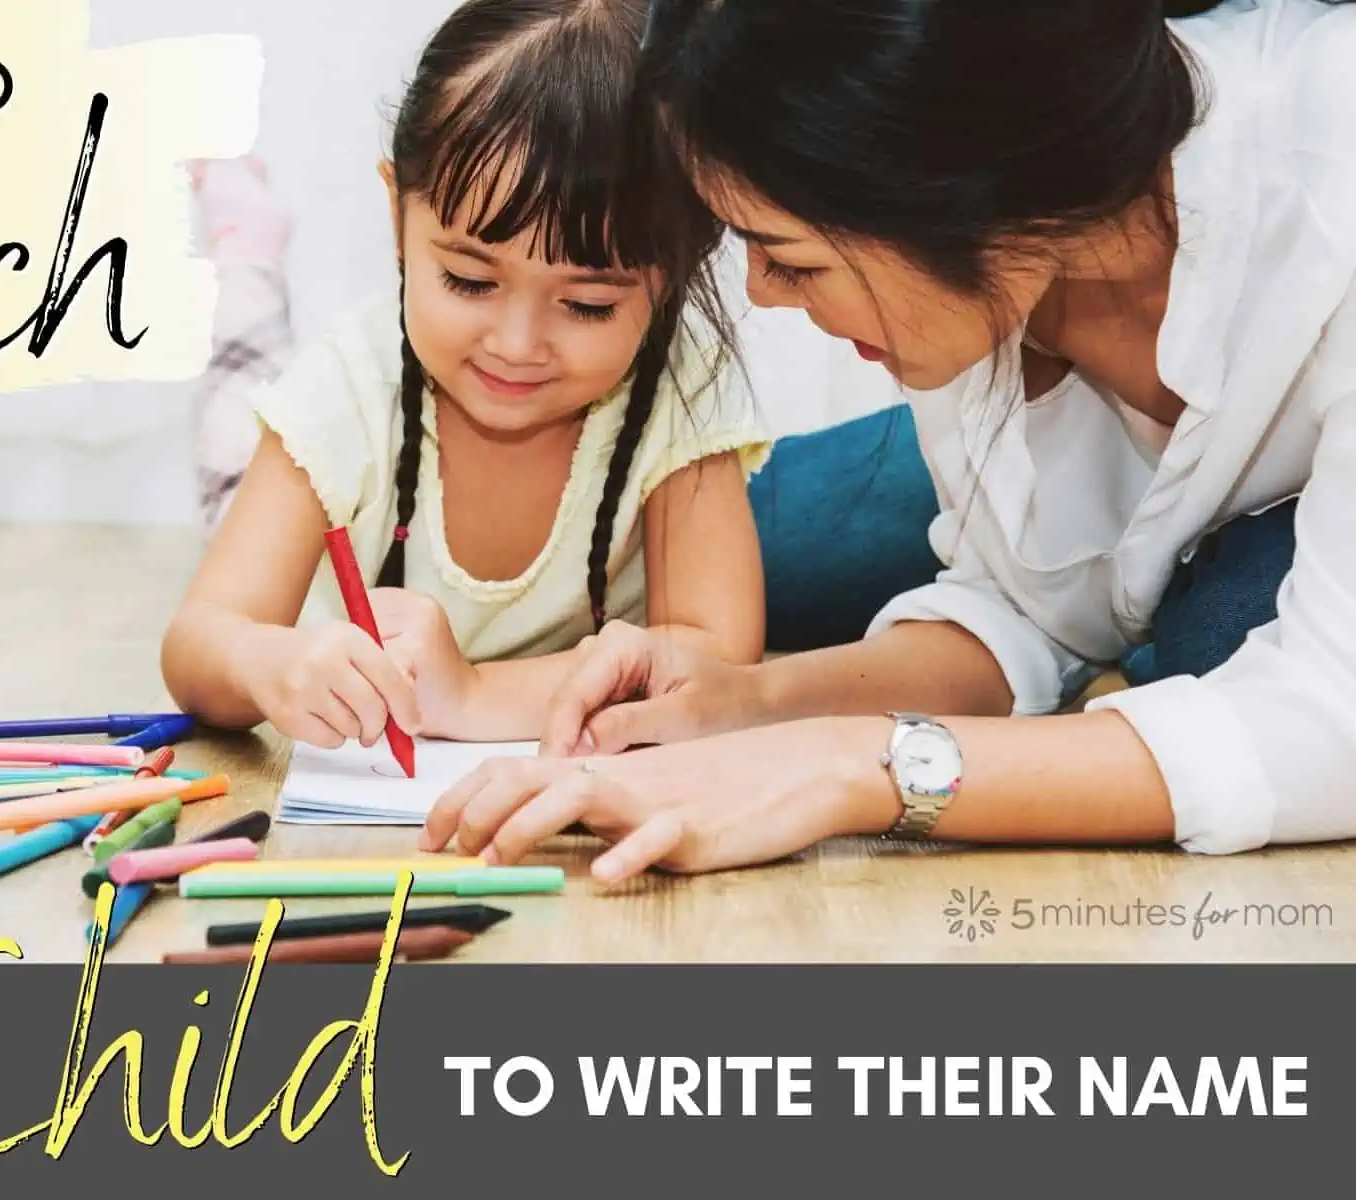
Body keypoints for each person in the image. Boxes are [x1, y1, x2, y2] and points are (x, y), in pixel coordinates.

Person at [423, 0, 1356, 882]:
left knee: (1219, 629)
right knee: (757, 549)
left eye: (790, 257)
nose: (762, 295)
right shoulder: (990, 278)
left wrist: (844, 768)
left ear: (966, 191)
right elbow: (1029, 613)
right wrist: (745, 705)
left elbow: (1328, 721)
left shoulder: (1329, 181)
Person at [161, 0, 771, 751]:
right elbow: (199, 643)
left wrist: (477, 693)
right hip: (318, 456)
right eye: (469, 282)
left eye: (585, 304)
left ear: (675, 272)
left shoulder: (680, 383)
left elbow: (715, 654)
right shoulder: (348, 386)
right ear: (397, 216)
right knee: (234, 424)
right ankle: (245, 244)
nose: (516, 345)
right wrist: (269, 661)